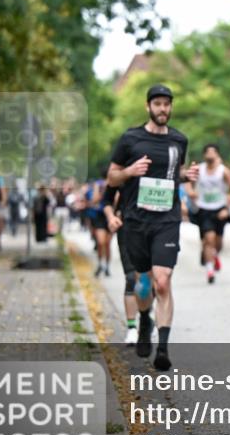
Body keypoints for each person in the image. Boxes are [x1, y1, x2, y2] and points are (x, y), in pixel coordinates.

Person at [107, 84, 199, 371]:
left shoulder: (178, 140)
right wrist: (129, 172)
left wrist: (186, 175)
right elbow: (111, 178)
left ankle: (163, 347)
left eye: (167, 104)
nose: (163, 109)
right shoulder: (130, 138)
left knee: (162, 281)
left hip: (166, 220)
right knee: (142, 282)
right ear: (148, 106)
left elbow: (171, 175)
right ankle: (144, 318)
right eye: (157, 104)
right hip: (136, 221)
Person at [103, 184, 154, 346]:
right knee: (132, 278)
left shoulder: (159, 165)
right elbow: (107, 199)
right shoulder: (125, 168)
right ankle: (132, 327)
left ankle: (146, 318)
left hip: (155, 227)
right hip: (128, 228)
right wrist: (112, 216)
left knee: (152, 279)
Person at [187, 144, 230, 284]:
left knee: (218, 243)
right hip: (203, 208)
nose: (210, 154)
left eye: (212, 152)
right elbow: (187, 182)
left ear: (217, 154)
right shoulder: (199, 169)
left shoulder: (223, 171)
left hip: (220, 209)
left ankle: (214, 255)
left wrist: (227, 208)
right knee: (209, 239)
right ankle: (210, 270)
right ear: (204, 155)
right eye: (207, 151)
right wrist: (190, 192)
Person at [85, 171, 112, 276]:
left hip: (110, 216)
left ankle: (107, 267)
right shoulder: (98, 184)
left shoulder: (114, 183)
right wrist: (103, 191)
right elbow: (94, 200)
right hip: (99, 216)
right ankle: (100, 263)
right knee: (101, 242)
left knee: (107, 243)